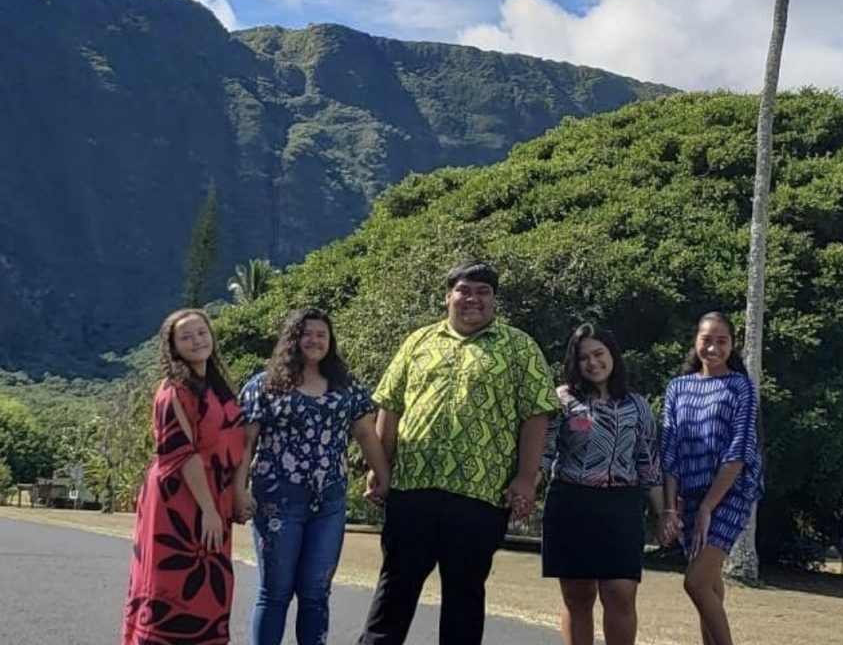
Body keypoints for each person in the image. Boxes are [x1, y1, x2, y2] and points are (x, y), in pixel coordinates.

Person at [357, 260, 559, 645]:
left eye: (484, 292)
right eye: (465, 290)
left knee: (464, 598)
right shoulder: (419, 341)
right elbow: (391, 405)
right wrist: (380, 468)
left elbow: (537, 414)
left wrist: (525, 477)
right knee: (395, 589)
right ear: (447, 296)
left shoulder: (519, 347)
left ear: (495, 301)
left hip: (479, 493)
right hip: (413, 487)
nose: (473, 299)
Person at [234, 307, 391, 645]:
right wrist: (239, 490)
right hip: (277, 502)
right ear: (292, 339)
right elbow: (246, 442)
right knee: (275, 592)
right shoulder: (264, 386)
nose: (315, 340)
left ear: (330, 341)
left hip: (329, 503)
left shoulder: (345, 387)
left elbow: (366, 435)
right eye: (307, 334)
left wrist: (384, 479)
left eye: (322, 335)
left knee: (316, 592)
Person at [122, 309, 246, 645]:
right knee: (172, 584)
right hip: (179, 501)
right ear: (173, 347)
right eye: (186, 337)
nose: (196, 341)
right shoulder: (173, 389)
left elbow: (240, 439)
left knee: (210, 587)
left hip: (214, 497)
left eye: (202, 333)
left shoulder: (219, 387)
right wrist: (207, 508)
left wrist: (236, 491)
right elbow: (181, 453)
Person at [541, 324, 663, 645]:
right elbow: (544, 451)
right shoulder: (562, 400)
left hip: (620, 506)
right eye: (584, 358)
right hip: (571, 503)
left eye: (599, 354)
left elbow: (649, 465)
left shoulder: (638, 406)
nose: (593, 363)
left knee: (620, 593)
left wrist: (665, 513)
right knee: (578, 597)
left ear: (612, 356)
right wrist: (525, 488)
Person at [660, 311, 764, 645]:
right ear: (695, 341)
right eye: (707, 339)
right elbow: (670, 449)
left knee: (696, 582)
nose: (713, 348)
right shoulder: (678, 387)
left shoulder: (740, 386)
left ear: (732, 345)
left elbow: (740, 450)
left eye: (722, 341)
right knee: (710, 585)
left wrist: (708, 507)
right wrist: (671, 508)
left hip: (730, 492)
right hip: (690, 495)